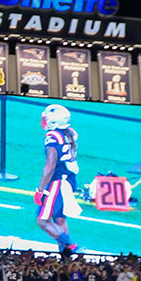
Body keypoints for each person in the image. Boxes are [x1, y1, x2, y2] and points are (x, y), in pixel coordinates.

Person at [34, 104, 80, 256]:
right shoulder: (70, 133)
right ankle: (65, 255)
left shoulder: (52, 137)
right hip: (70, 179)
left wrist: (40, 189)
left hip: (57, 182)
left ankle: (69, 245)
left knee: (42, 220)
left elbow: (50, 165)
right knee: (59, 218)